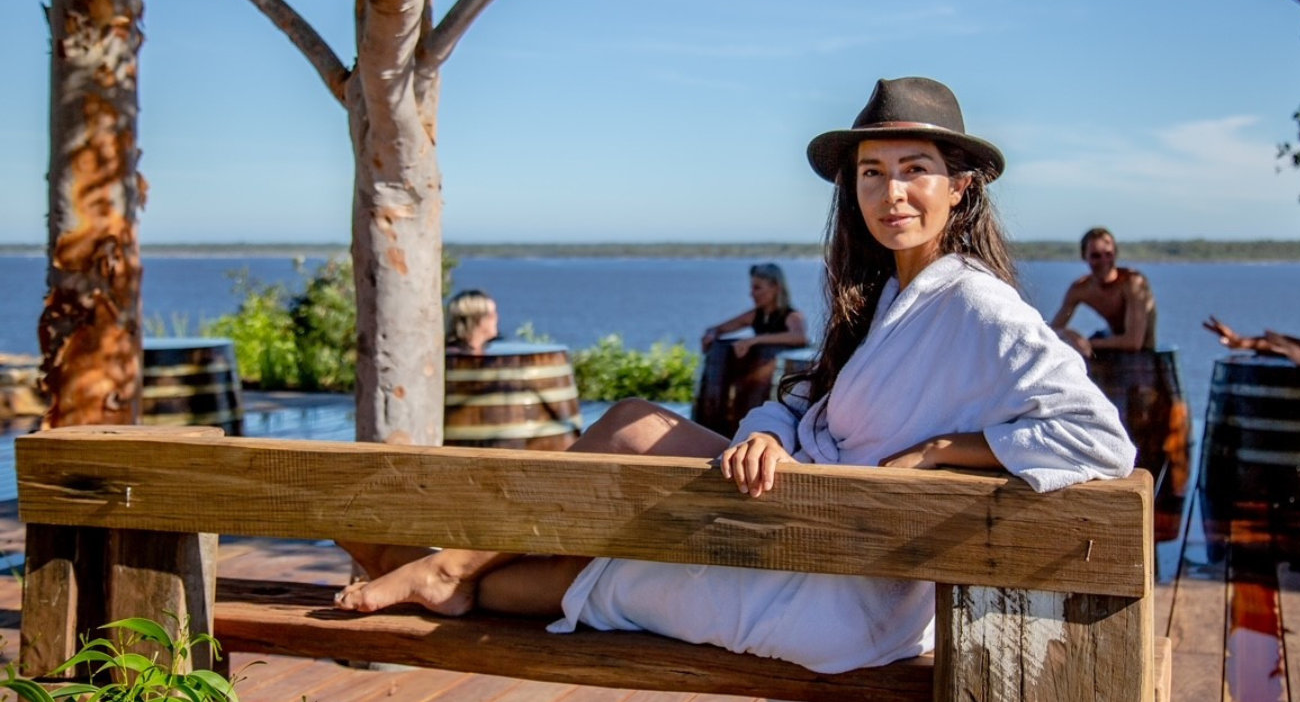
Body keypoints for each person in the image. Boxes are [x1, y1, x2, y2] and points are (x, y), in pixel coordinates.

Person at [334, 76, 1136, 674]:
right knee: (630, 452)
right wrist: (764, 435)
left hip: (842, 589)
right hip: (807, 530)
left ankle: (446, 567)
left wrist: (940, 454)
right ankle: (443, 570)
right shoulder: (892, 296)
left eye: (914, 169)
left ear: (960, 188)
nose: (891, 192)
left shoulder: (979, 308)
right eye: (871, 173)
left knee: (623, 492)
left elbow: (1100, 439)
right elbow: (805, 404)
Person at [1049, 227, 1157, 357]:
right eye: (1096, 256)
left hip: (1143, 353)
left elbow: (1134, 342)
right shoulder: (1081, 289)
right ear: (1084, 256)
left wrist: (1088, 343)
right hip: (1110, 345)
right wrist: (1068, 335)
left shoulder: (1132, 282)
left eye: (1108, 254)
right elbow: (1051, 332)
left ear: (1116, 253)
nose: (1103, 261)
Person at [700, 263, 807, 359]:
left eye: (757, 288)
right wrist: (711, 335)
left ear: (776, 288)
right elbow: (718, 329)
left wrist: (753, 340)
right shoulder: (755, 315)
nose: (752, 294)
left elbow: (799, 337)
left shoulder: (792, 316)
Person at [444, 289, 500, 355]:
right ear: (475, 319)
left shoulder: (486, 354)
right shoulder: (454, 358)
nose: (497, 318)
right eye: (491, 315)